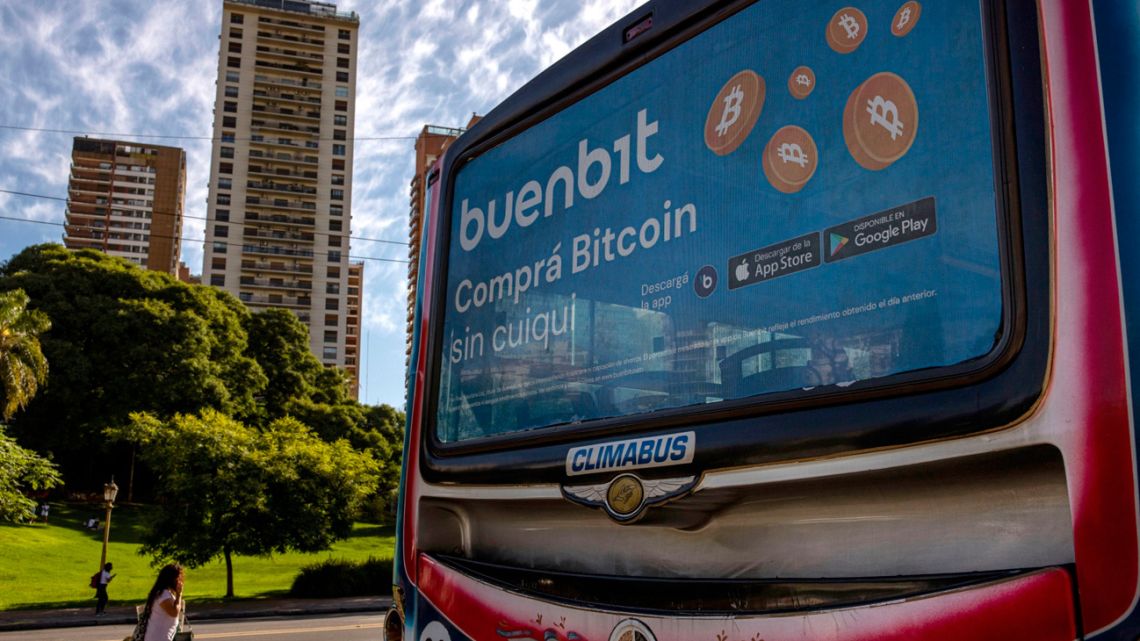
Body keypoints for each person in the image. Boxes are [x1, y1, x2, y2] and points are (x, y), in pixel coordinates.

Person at [134, 564, 184, 641]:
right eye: (178, 578)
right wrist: (179, 595)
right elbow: (174, 612)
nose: (180, 581)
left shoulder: (164, 593)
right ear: (171, 579)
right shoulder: (163, 594)